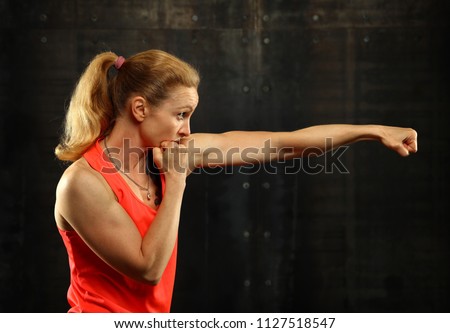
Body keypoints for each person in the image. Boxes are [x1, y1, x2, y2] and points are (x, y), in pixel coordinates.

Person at [54, 49, 418, 313]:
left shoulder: (167, 151)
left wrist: (372, 130)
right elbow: (148, 269)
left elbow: (283, 144)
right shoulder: (82, 183)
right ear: (139, 109)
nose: (188, 130)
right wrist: (177, 181)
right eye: (181, 115)